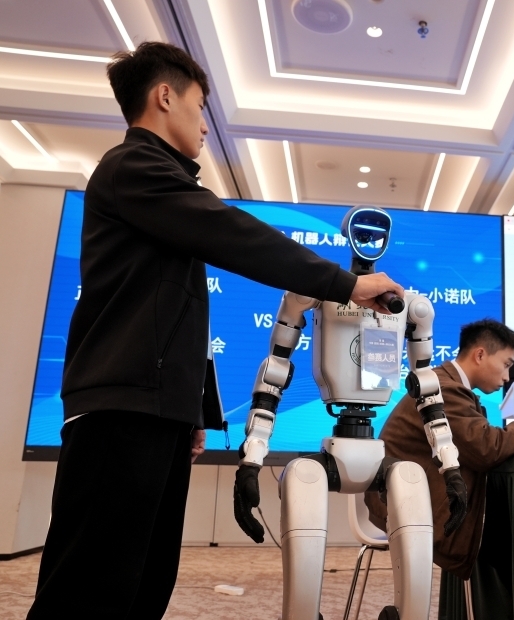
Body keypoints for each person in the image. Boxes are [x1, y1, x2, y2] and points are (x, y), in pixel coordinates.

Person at [27, 42, 403, 619]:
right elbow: (234, 235)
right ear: (165, 96)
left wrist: (194, 410)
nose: (205, 125)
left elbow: (167, 307)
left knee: (143, 583)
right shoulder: (133, 167)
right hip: (120, 413)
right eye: (200, 107)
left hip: (153, 412)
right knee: (90, 589)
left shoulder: (157, 189)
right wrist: (345, 284)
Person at [365, 319, 514, 579]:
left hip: (413, 501)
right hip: (417, 511)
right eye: (506, 365)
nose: (507, 377)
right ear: (480, 355)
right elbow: (487, 448)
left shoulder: (443, 383)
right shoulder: (445, 390)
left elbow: (479, 442)